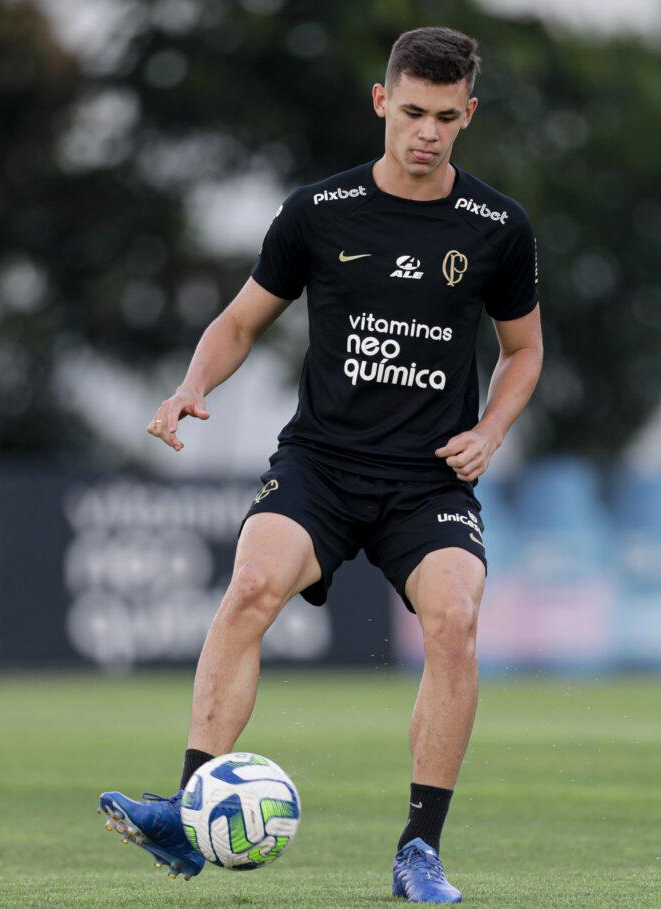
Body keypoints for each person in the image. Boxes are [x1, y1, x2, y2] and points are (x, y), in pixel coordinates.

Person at [97, 27, 542, 904]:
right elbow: (239, 321)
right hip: (323, 464)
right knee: (253, 584)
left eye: (446, 117)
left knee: (453, 618)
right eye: (412, 111)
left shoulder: (497, 227)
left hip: (426, 480)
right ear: (382, 102)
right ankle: (190, 814)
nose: (427, 131)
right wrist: (191, 384)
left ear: (468, 116)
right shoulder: (319, 211)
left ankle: (419, 851)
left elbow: (523, 352)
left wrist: (490, 429)